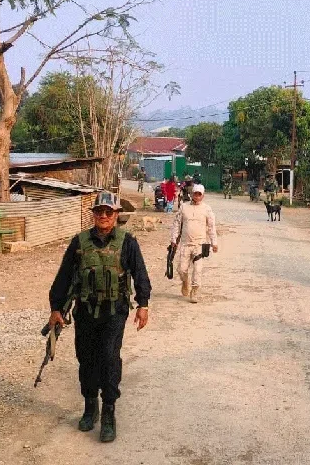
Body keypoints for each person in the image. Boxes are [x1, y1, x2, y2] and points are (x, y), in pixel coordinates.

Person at [47, 191, 151, 442]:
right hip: (85, 311)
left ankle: (108, 413)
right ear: (93, 214)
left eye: (108, 212)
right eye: (99, 211)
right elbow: (64, 276)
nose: (103, 216)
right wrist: (56, 308)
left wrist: (143, 304)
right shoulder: (79, 242)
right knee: (86, 359)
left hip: (114, 311)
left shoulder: (128, 242)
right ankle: (90, 407)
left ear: (116, 215)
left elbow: (140, 273)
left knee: (109, 358)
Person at [170, 184, 218, 303]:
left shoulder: (207, 209)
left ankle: (194, 291)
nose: (197, 196)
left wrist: (214, 243)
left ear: (203, 196)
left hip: (200, 245)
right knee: (182, 269)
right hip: (185, 244)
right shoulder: (184, 207)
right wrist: (174, 239)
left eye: (199, 194)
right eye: (195, 194)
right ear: (192, 194)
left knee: (198, 270)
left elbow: (211, 227)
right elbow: (177, 223)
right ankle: (185, 282)